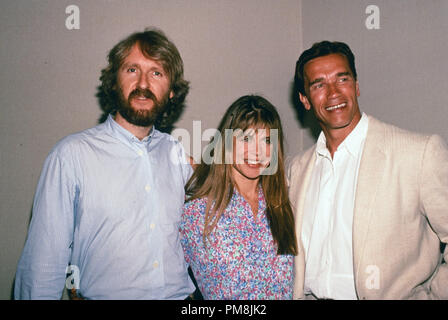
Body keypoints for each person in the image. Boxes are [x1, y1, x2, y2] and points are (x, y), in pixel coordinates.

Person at [14, 28, 196, 299]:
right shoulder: (71, 155)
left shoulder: (177, 154)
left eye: (157, 73)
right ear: (113, 81)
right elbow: (43, 266)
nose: (144, 83)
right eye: (132, 70)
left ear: (171, 91)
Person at [289, 40, 448, 299]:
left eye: (342, 79)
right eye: (319, 84)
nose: (333, 93)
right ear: (305, 100)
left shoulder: (419, 154)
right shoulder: (297, 170)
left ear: (357, 86)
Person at [180, 95, 297, 300]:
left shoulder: (282, 205)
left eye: (267, 140)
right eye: (246, 138)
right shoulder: (196, 210)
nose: (257, 151)